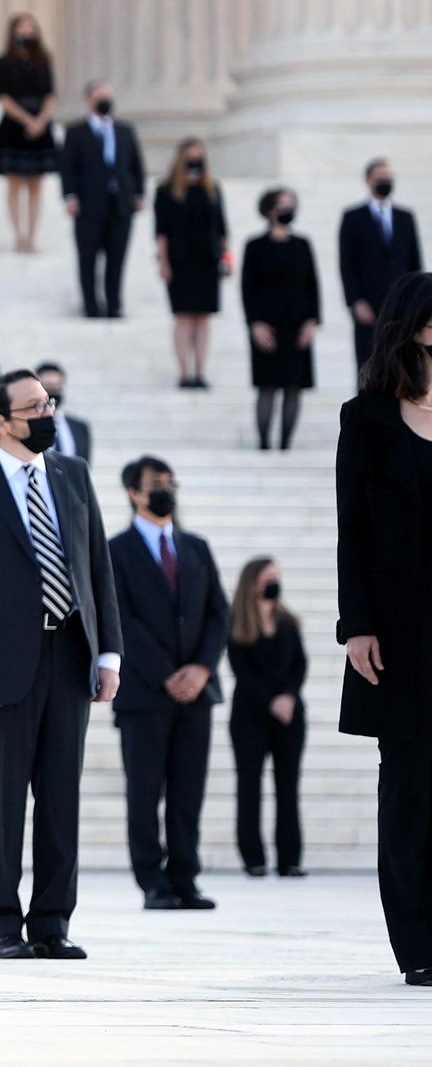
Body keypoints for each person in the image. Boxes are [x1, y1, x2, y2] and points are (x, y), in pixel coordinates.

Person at [0, 369, 123, 959]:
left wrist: (108, 651)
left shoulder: (73, 473)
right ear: (0, 422)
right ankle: (2, 926)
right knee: (0, 802)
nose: (48, 413)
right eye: (35, 406)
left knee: (61, 797)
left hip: (69, 654)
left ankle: (53, 923)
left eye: (50, 402)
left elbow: (98, 570)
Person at [335, 273, 432, 986]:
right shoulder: (365, 416)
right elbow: (351, 531)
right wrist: (356, 625)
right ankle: (419, 944)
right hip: (398, 629)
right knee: (408, 785)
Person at [109, 455, 227, 911]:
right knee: (144, 791)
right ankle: (151, 881)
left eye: (170, 482)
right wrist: (166, 673)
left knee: (187, 790)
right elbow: (121, 618)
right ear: (133, 493)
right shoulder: (115, 550)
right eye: (156, 483)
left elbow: (219, 613)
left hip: (197, 693)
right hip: (143, 694)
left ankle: (185, 877)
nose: (166, 490)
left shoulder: (196, 546)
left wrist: (200, 669)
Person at [225, 555, 305, 880]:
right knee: (249, 786)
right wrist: (270, 701)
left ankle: (290, 859)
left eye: (276, 576)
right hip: (250, 716)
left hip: (289, 717)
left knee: (288, 787)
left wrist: (287, 697)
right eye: (267, 576)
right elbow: (241, 672)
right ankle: (253, 858)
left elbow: (299, 664)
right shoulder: (237, 624)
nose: (273, 582)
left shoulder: (288, 622)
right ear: (252, 582)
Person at [242, 186, 322, 451]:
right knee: (267, 386)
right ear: (269, 210)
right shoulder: (255, 246)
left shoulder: (302, 245)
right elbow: (248, 288)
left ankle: (286, 444)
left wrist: (312, 321)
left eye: (291, 204)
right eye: (282, 205)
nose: (287, 210)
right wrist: (254, 323)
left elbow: (313, 285)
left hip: (297, 324)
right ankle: (264, 443)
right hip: (267, 324)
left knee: (293, 386)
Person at [58, 80, 145, 318]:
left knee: (117, 258)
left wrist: (139, 194)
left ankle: (114, 303)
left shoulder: (125, 130)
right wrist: (70, 196)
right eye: (100, 96)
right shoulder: (75, 132)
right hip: (88, 206)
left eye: (108, 95)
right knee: (88, 259)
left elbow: (136, 165)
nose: (105, 100)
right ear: (88, 100)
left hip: (120, 205)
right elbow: (67, 167)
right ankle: (90, 305)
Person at [153, 138, 229, 389]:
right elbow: (161, 231)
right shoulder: (166, 190)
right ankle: (184, 371)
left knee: (203, 318)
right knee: (183, 317)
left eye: (199, 155)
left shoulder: (213, 189)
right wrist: (163, 262)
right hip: (180, 261)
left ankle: (200, 370)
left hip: (207, 261)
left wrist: (226, 257)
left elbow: (222, 229)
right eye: (191, 154)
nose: (195, 159)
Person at [341, 158, 422, 370]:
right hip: (368, 306)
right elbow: (347, 264)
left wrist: (416, 301)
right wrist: (356, 300)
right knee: (368, 365)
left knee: (401, 365)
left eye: (389, 178)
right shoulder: (353, 218)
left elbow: (414, 262)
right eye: (380, 178)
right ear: (368, 181)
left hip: (401, 307)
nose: (385, 182)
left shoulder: (405, 217)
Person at [0, 13, 58, 253]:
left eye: (31, 26)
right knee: (15, 184)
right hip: (14, 125)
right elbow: (3, 97)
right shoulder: (3, 62)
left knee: (35, 186)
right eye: (22, 26)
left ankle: (32, 235)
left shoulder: (44, 60)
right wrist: (27, 120)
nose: (26, 31)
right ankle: (18, 235)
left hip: (40, 126)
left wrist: (41, 120)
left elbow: (51, 95)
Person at [33, 362, 92, 464]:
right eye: (48, 388)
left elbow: (85, 466)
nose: (53, 395)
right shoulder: (26, 425)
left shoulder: (80, 427)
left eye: (56, 388)